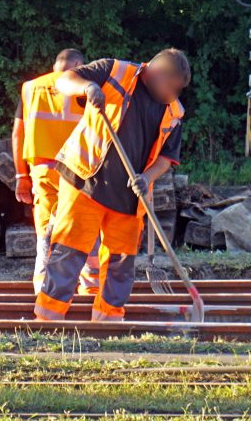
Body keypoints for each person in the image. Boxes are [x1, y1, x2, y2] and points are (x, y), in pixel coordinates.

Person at [34, 48, 191, 321]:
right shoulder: (115, 71)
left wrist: (147, 178)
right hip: (86, 181)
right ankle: (48, 319)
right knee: (68, 253)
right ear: (156, 72)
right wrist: (88, 87)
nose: (173, 96)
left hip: (130, 197)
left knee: (121, 264)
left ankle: (109, 321)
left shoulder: (174, 112)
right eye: (171, 87)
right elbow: (63, 80)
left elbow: (166, 158)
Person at [11, 48, 99, 294]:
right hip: (79, 171)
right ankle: (92, 289)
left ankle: (45, 293)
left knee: (46, 231)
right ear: (79, 64)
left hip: (43, 170)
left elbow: (18, 134)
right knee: (84, 227)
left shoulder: (30, 88)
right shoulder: (86, 87)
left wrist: (21, 176)